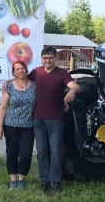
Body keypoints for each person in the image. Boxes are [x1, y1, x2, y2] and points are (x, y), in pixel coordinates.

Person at [28, 45, 79, 193]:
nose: (48, 60)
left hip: (56, 119)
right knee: (42, 152)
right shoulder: (36, 73)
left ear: (55, 58)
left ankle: (55, 182)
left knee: (56, 152)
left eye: (50, 57)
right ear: (41, 58)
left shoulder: (62, 73)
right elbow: (21, 81)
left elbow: (75, 85)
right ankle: (44, 181)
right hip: (38, 119)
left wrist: (72, 90)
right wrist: (8, 83)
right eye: (45, 58)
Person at [0, 60, 36, 189]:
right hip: (11, 125)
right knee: (12, 152)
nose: (20, 71)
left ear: (26, 69)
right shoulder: (9, 87)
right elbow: (2, 108)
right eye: (17, 69)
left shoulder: (35, 86)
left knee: (26, 154)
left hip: (28, 126)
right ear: (14, 72)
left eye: (22, 68)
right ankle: (13, 180)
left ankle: (21, 178)